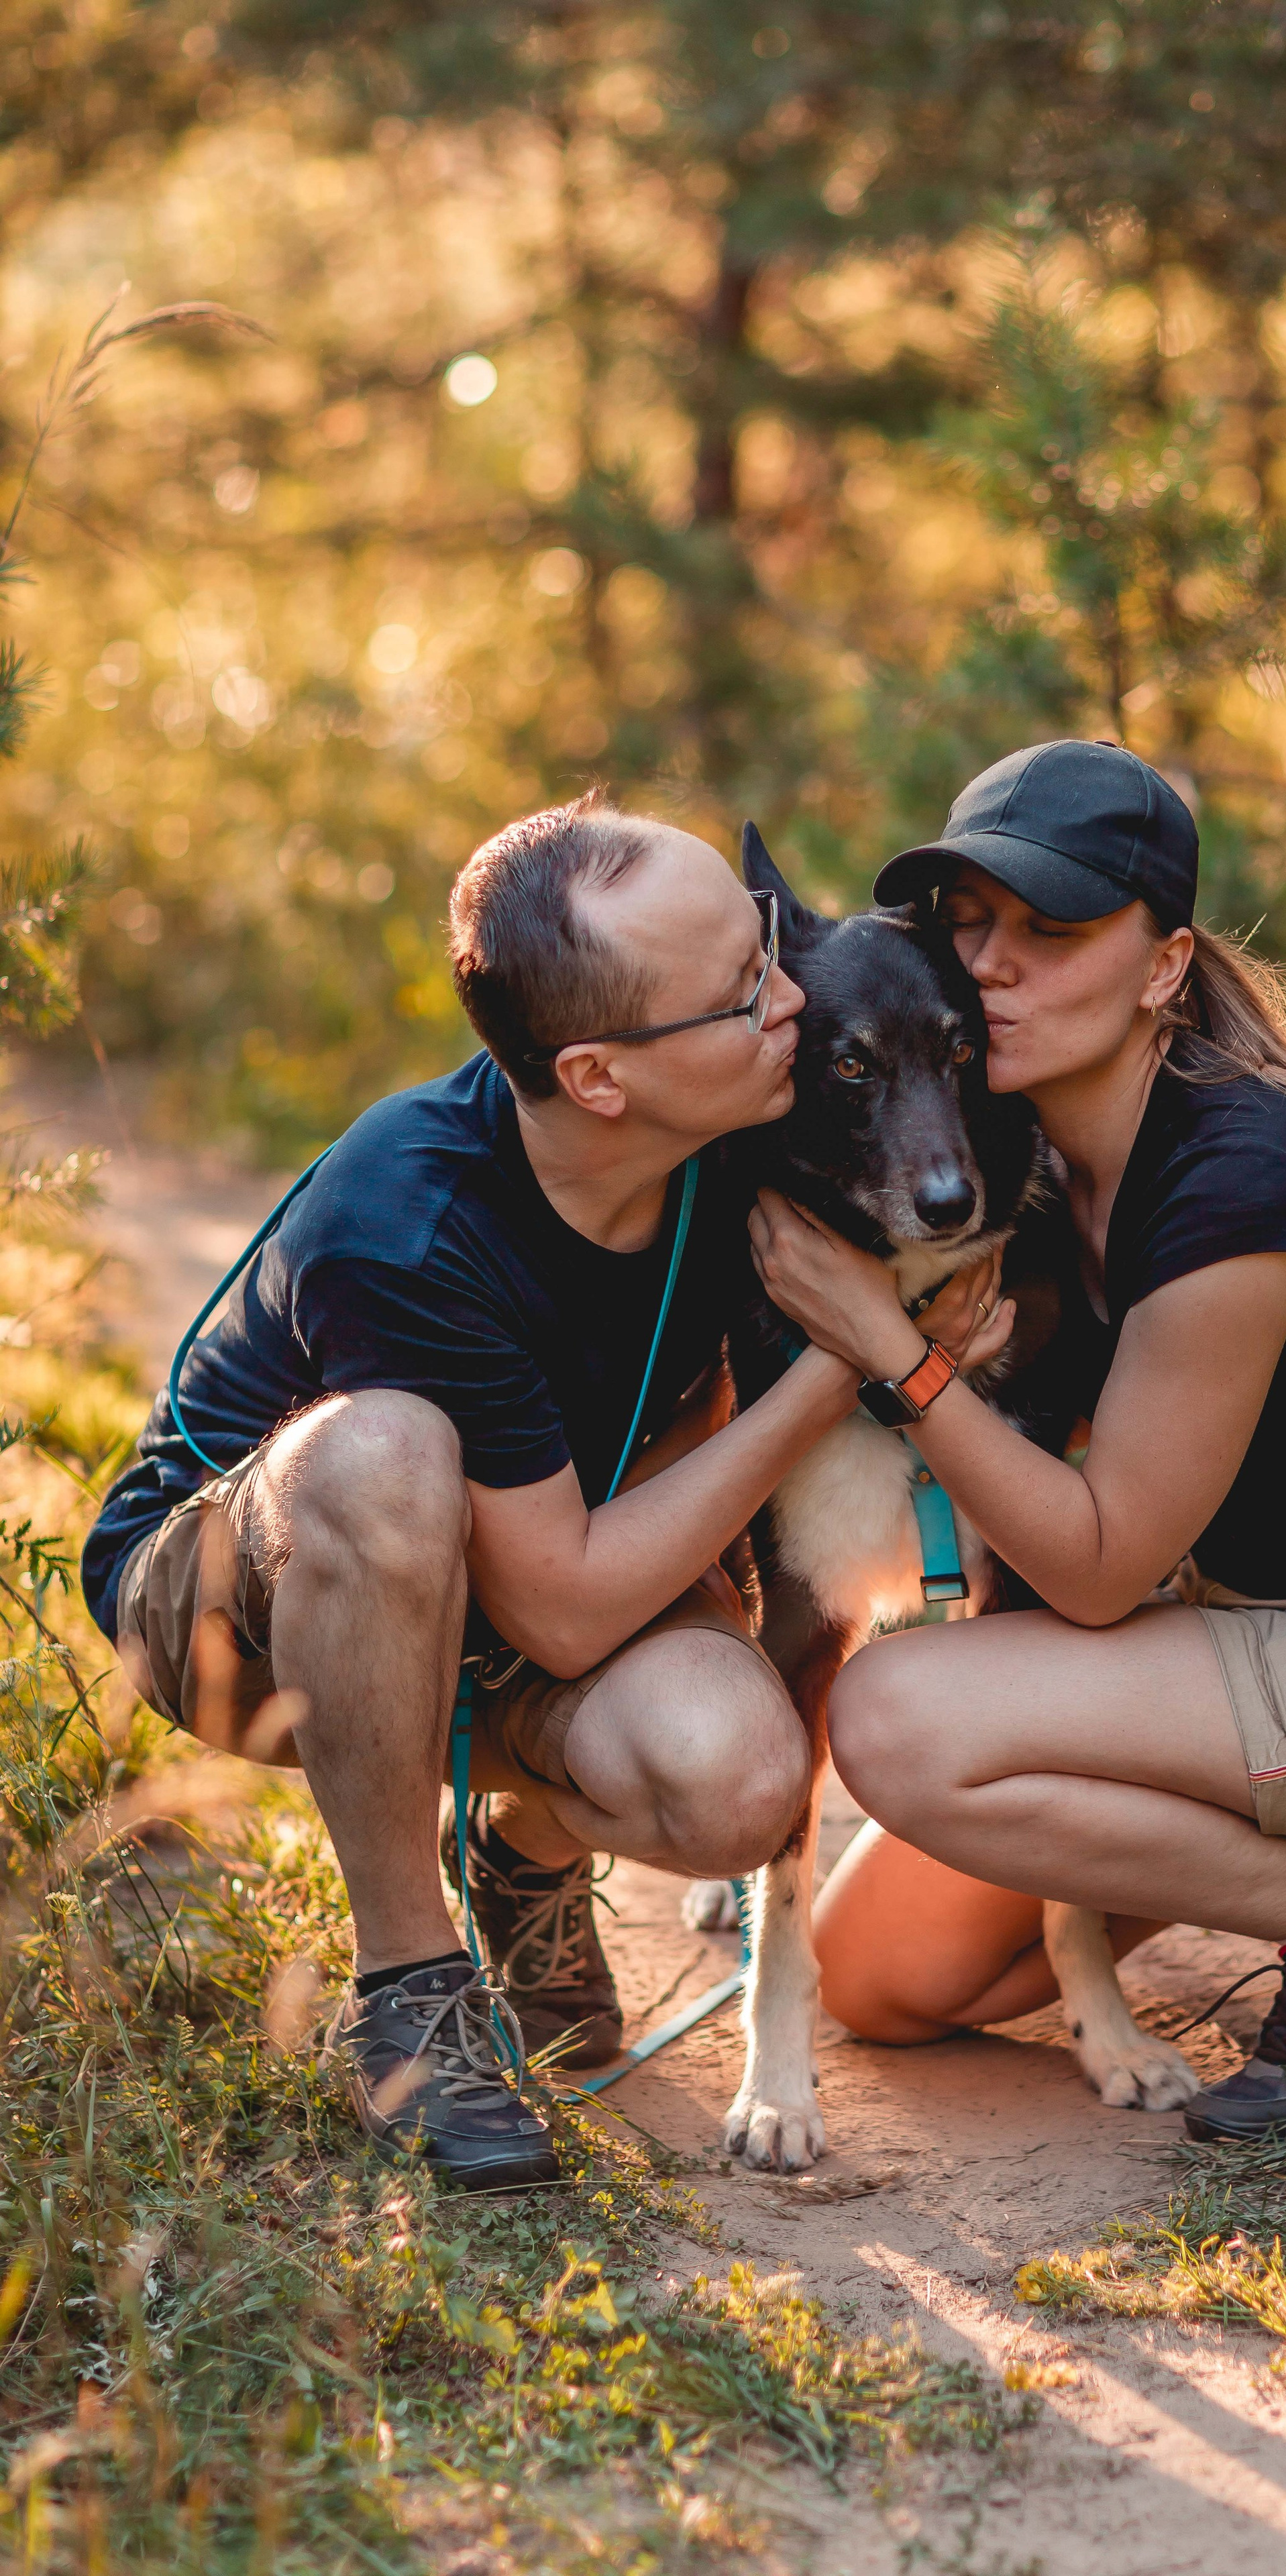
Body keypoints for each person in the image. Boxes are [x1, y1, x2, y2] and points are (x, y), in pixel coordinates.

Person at [82, 793, 987, 2187]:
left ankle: (521, 1846)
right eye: (743, 988)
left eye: (765, 953)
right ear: (601, 1077)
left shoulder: (741, 1134)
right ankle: (413, 1988)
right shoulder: (410, 1222)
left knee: (741, 1776)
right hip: (236, 1617)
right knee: (384, 1454)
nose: (791, 996)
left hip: (528, 1569)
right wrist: (852, 1365)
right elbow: (564, 1618)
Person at [748, 739, 1286, 2139]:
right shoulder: (1054, 1163)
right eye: (973, 923)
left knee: (892, 1719)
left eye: (1054, 929)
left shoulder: (1240, 1175)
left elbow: (1090, 1570)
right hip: (1251, 1646)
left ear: (1162, 966)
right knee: (882, 1978)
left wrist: (890, 1351)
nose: (994, 963)